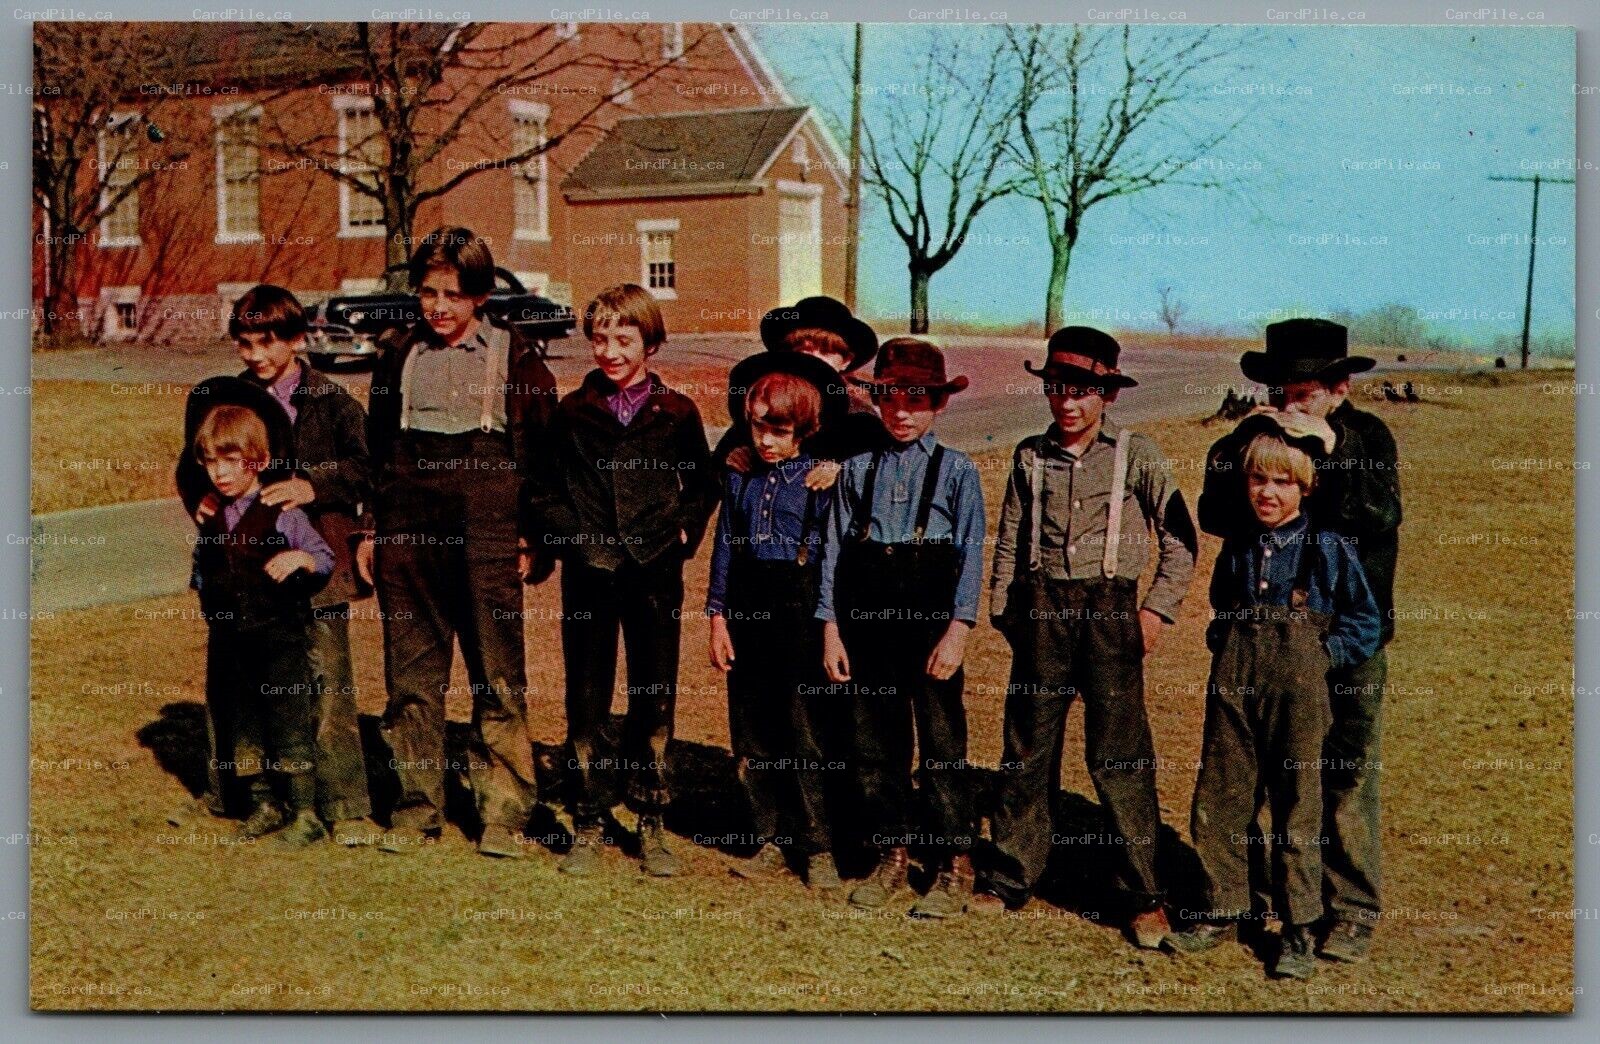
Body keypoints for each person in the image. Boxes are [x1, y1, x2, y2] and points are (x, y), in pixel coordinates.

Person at [974, 327, 1198, 949]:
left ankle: (1142, 893)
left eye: (1082, 392)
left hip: (1111, 614)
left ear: (1106, 395)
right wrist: (1004, 612)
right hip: (1043, 613)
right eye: (1057, 389)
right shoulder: (1028, 456)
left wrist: (1155, 612)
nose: (1067, 403)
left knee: (1119, 755)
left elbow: (1181, 540)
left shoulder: (1138, 454)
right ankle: (1012, 873)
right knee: (1027, 748)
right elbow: (1012, 539)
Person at [1196, 317, 1401, 963]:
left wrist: (1328, 451)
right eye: (1283, 389)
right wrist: (1252, 450)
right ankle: (1247, 902)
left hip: (1348, 639)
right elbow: (1217, 514)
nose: (1291, 403)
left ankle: (1348, 911)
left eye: (1305, 392)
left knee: (1337, 779)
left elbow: (1375, 515)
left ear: (1340, 388)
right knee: (1246, 782)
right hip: (1262, 644)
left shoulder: (1367, 438)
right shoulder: (1256, 437)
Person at [359, 226, 556, 858]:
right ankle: (417, 805)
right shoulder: (398, 356)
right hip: (409, 529)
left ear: (480, 297)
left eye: (453, 294)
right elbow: (377, 452)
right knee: (411, 672)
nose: (438, 307)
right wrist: (371, 530)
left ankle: (502, 810)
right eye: (427, 292)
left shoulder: (516, 359)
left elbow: (542, 463)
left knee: (496, 675)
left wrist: (533, 533)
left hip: (487, 528)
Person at [1166, 411, 1381, 980]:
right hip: (1236, 677)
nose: (1268, 493)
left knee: (1298, 802)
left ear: (1306, 486)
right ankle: (1224, 905)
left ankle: (1298, 926)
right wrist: (1225, 641)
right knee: (1221, 792)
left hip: (1301, 686)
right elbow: (1220, 602)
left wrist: (1324, 657)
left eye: (1283, 482)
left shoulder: (1328, 547)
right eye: (1258, 480)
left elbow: (1365, 618)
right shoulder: (1238, 545)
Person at [176, 285, 377, 846]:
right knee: (235, 683)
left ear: (296, 339)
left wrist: (313, 484)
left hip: (316, 559)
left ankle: (341, 803)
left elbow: (366, 467)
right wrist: (202, 497)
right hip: (245, 576)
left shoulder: (332, 401)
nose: (256, 355)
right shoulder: (228, 399)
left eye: (267, 343)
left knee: (325, 680)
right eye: (245, 343)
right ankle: (237, 794)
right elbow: (192, 462)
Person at [527, 283, 717, 878]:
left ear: (650, 343)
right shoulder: (571, 413)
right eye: (600, 337)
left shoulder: (677, 413)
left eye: (625, 338)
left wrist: (684, 530)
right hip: (590, 574)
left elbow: (704, 484)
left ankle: (651, 817)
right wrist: (575, 539)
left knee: (652, 692)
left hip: (655, 571)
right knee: (586, 691)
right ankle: (588, 815)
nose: (610, 350)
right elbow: (541, 491)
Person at [816, 337, 986, 918]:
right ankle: (892, 852)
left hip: (930, 625)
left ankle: (954, 861)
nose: (903, 413)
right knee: (876, 746)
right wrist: (831, 628)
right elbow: (833, 554)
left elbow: (970, 558)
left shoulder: (958, 472)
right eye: (891, 400)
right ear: (878, 402)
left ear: (938, 404)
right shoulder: (855, 473)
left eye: (918, 401)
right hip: (866, 624)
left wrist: (959, 629)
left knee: (942, 746)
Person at [708, 369, 846, 890]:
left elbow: (832, 553)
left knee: (804, 730)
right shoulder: (739, 473)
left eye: (779, 430)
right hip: (747, 604)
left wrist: (829, 621)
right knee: (751, 729)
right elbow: (725, 546)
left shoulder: (819, 478)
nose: (765, 440)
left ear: (803, 429)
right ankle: (764, 836)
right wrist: (717, 617)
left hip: (800, 605)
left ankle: (817, 845)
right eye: (758, 427)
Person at [189, 403, 335, 847]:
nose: (220, 473)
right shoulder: (211, 516)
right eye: (212, 462)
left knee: (288, 719)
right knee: (243, 721)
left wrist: (302, 558)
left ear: (259, 462)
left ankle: (306, 812)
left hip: (280, 640)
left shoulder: (282, 512)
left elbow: (323, 556)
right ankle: (262, 802)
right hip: (231, 642)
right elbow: (202, 567)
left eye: (231, 461)